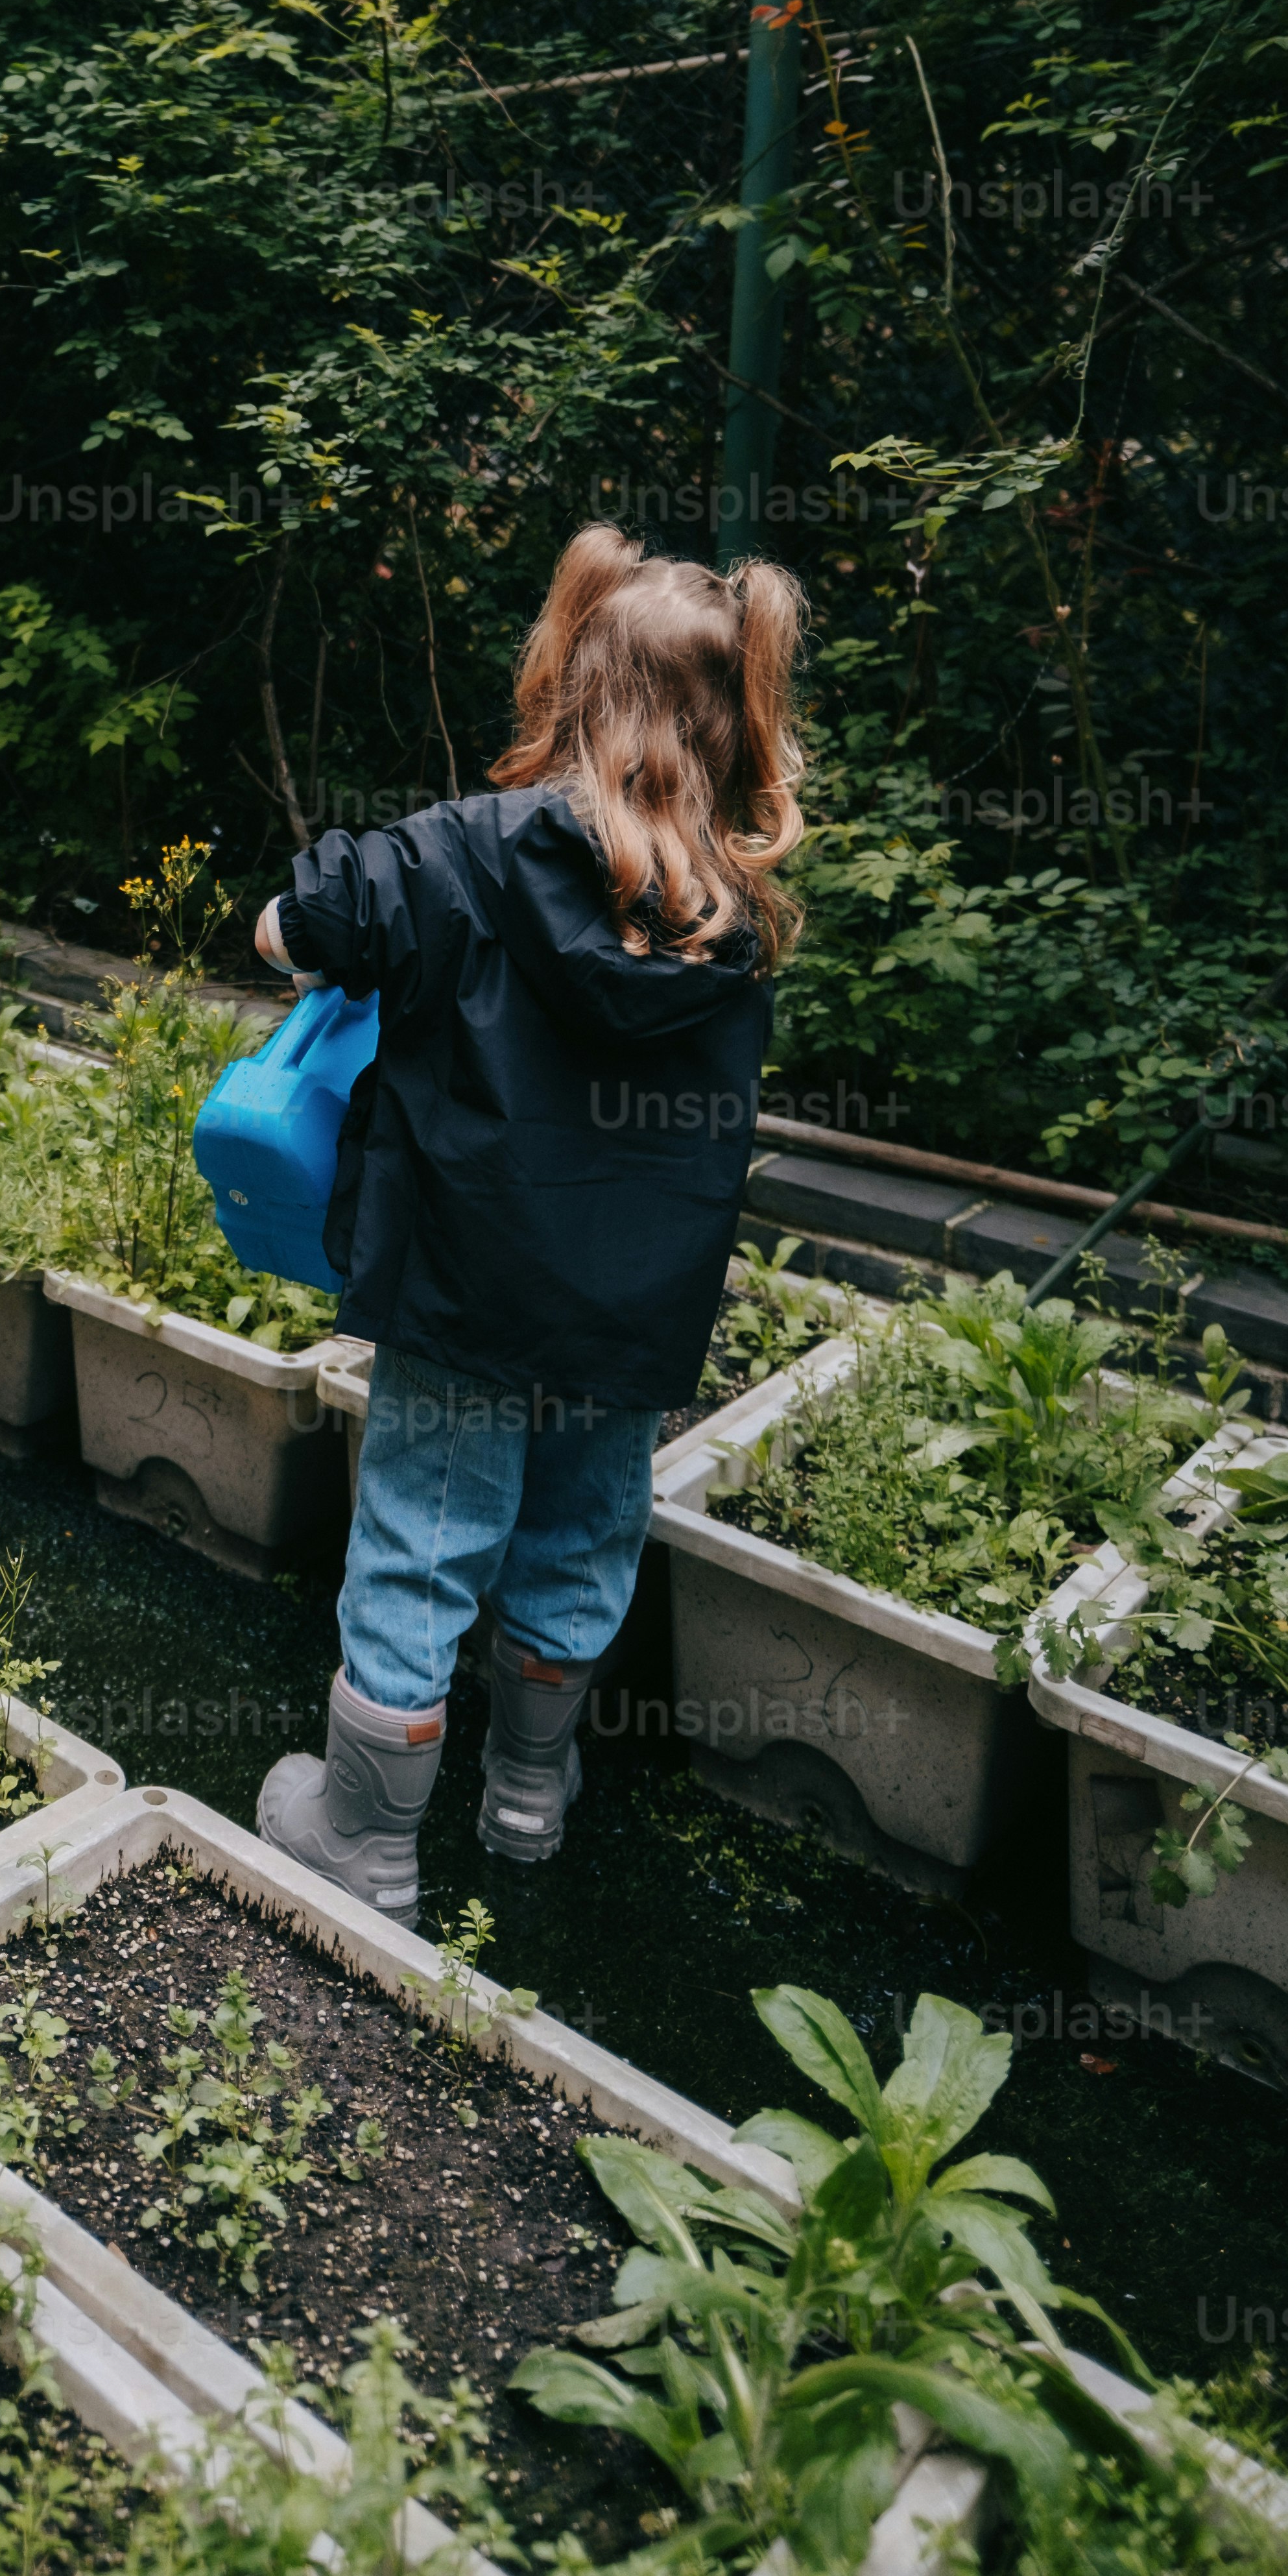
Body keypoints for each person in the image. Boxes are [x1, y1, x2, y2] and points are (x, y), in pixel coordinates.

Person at [252, 524, 805, 1925]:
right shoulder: (728, 920)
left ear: (571, 686)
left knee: (423, 1545)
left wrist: (281, 933)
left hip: (463, 1294)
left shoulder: (458, 856)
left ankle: (365, 1846)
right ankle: (525, 1803)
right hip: (628, 1313)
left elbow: (301, 918)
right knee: (577, 1538)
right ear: (731, 724)